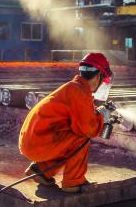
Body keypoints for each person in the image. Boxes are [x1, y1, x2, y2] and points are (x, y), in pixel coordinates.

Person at [18, 53, 114, 193]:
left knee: (68, 137)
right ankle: (73, 182)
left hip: (35, 140)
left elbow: (83, 112)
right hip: (37, 143)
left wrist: (99, 113)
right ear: (99, 75)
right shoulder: (78, 92)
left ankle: (41, 171)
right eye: (103, 79)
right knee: (81, 136)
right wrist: (101, 117)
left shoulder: (75, 88)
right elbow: (88, 128)